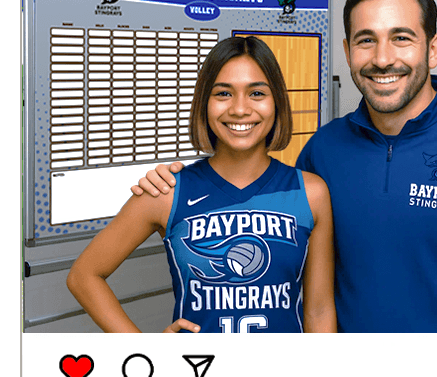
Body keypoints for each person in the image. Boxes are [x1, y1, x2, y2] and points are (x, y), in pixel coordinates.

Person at [132, 0, 437, 333]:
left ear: (433, 48)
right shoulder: (323, 151)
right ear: (350, 50)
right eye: (367, 41)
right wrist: (173, 184)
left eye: (401, 38)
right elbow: (274, 246)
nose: (382, 58)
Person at [67, 36, 336, 333]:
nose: (239, 109)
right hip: (196, 374)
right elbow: (83, 276)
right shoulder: (167, 191)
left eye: (257, 93)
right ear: (204, 103)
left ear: (277, 102)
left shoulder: (310, 193)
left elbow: (319, 310)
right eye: (223, 93)